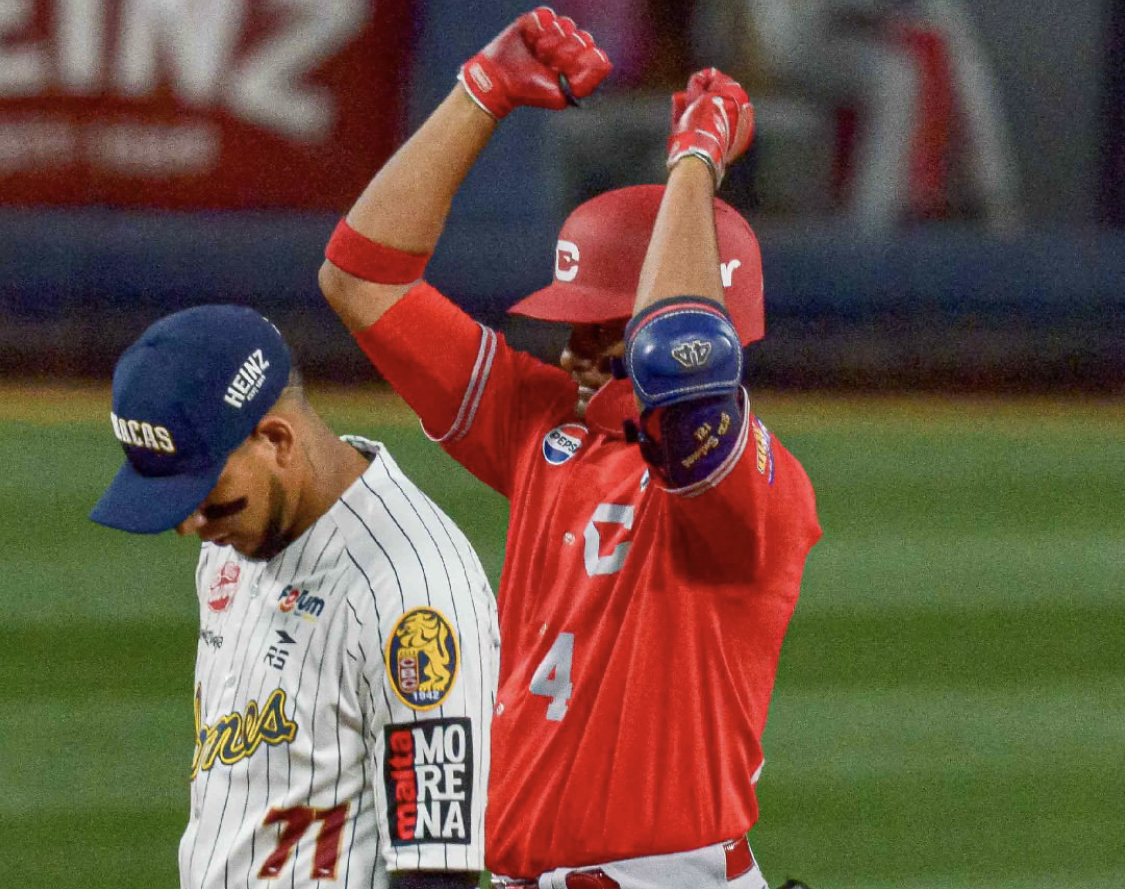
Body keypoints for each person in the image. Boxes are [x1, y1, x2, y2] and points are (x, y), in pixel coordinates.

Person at [318, 7, 821, 888]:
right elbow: (362, 277)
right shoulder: (543, 426)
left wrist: (694, 166)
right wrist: (478, 93)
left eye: (597, 331)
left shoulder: (750, 490)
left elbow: (679, 366)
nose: (568, 351)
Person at [89, 304, 500, 889]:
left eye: (205, 492)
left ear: (277, 439)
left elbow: (438, 867)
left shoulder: (413, 592)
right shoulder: (236, 539)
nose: (189, 524)